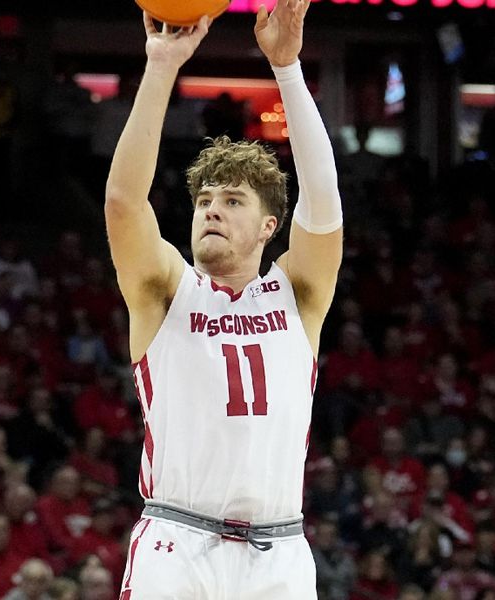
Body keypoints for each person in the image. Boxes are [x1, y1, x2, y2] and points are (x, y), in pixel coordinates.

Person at [104, 0, 343, 597]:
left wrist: (287, 69)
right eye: (205, 198)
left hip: (279, 552)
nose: (211, 207)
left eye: (233, 200)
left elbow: (326, 204)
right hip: (177, 544)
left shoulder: (299, 296)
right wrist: (161, 67)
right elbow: (123, 204)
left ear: (269, 227)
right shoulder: (165, 290)